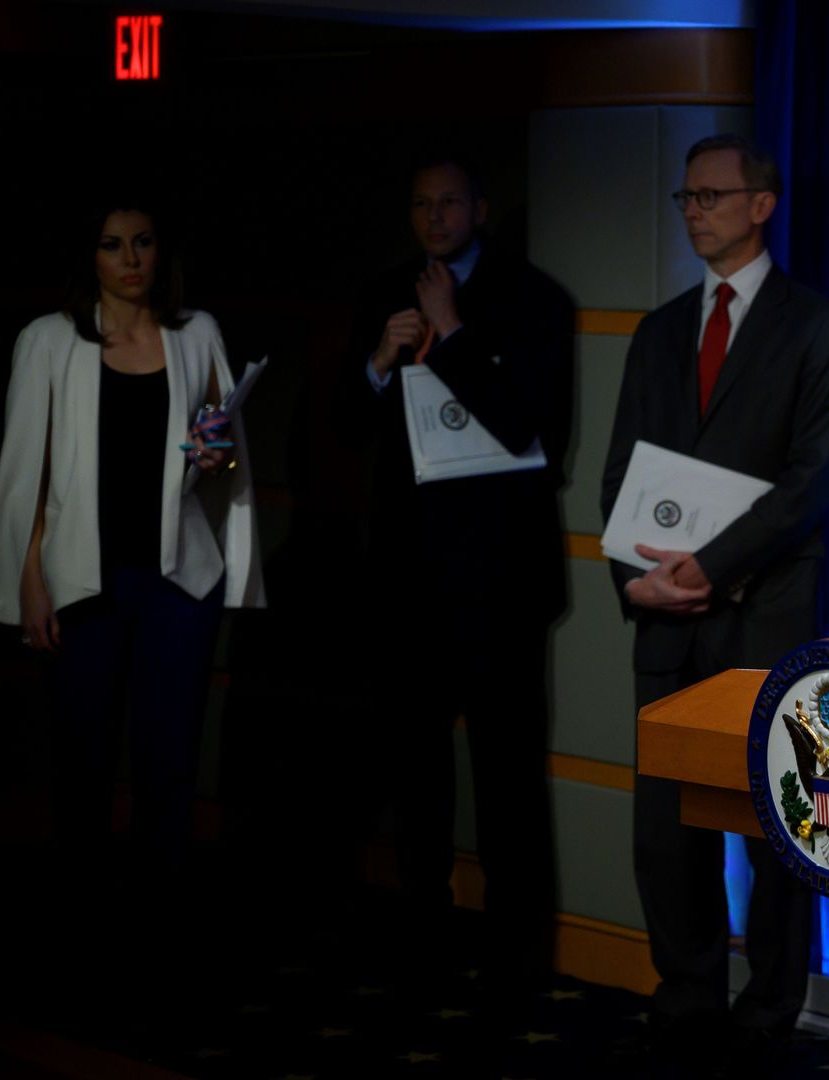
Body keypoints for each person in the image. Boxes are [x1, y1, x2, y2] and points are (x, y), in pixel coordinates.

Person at [601, 133, 829, 1069]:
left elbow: (810, 480)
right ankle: (687, 989)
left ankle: (770, 1004)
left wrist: (709, 565)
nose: (695, 210)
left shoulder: (815, 325)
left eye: (712, 195)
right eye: (686, 197)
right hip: (665, 619)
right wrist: (637, 578)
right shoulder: (660, 329)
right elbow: (621, 472)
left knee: (779, 821)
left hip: (762, 615)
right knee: (665, 830)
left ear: (762, 205)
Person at [0, 195, 265, 881]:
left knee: (170, 764)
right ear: (89, 255)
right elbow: (27, 471)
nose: (131, 260)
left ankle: (159, 934)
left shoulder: (197, 332)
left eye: (143, 242)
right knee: (83, 762)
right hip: (83, 582)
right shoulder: (49, 338)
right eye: (112, 245)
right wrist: (31, 576)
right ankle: (86, 936)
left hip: (178, 581)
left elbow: (222, 446)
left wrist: (216, 457)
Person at [340, 154, 574, 986]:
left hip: (502, 582)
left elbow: (528, 429)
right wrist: (377, 361)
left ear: (480, 206)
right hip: (410, 578)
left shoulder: (535, 298)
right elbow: (338, 423)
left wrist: (456, 332)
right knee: (415, 767)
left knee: (508, 775)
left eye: (449, 202)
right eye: (419, 203)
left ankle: (517, 954)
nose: (434, 217)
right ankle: (421, 932)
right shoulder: (384, 291)